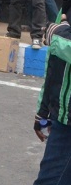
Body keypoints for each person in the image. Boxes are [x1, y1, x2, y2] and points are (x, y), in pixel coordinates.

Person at [32, 16, 71, 184]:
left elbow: (57, 41)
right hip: (62, 118)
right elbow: (54, 64)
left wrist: (57, 37)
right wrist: (43, 112)